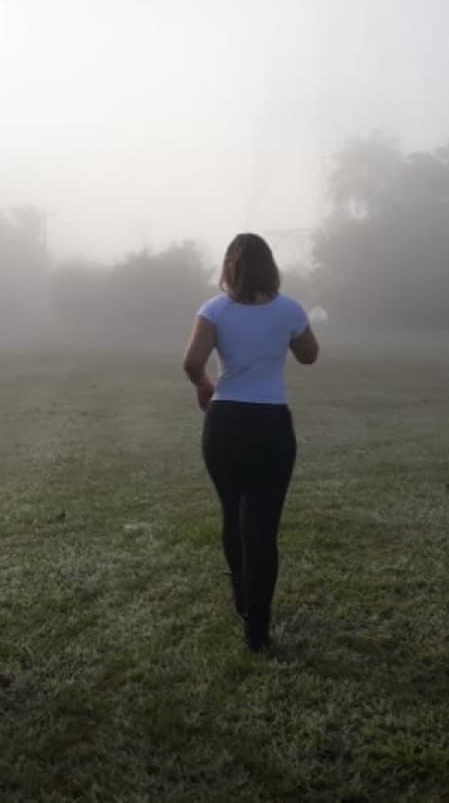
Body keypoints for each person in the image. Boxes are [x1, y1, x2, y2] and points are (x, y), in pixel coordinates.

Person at [182, 233, 320, 652]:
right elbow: (309, 355)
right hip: (270, 424)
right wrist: (287, 331)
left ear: (230, 268)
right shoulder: (289, 308)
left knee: (233, 513)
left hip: (225, 423)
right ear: (270, 267)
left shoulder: (214, 309)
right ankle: (257, 631)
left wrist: (206, 386)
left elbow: (192, 362)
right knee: (262, 528)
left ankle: (243, 599)